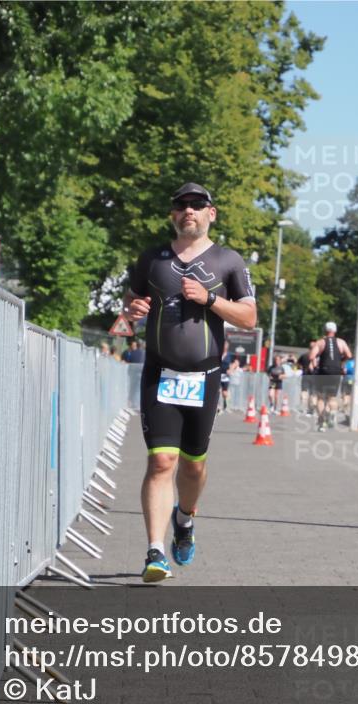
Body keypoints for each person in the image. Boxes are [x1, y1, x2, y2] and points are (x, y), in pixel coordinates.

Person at [123, 182, 256, 582]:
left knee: (193, 467)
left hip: (205, 376)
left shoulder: (228, 261)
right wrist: (131, 309)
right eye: (181, 205)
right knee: (162, 460)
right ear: (172, 214)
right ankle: (155, 551)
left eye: (197, 205)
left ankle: (184, 518)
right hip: (159, 373)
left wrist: (210, 300)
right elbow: (127, 313)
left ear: (211, 213)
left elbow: (249, 318)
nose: (189, 211)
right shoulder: (152, 259)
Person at [308, 322, 352, 431]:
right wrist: (342, 362)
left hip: (324, 371)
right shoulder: (341, 342)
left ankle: (322, 422)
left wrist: (315, 363)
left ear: (325, 330)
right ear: (335, 331)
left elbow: (311, 356)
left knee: (321, 398)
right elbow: (349, 355)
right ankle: (332, 413)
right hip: (336, 371)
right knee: (332, 397)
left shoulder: (321, 342)